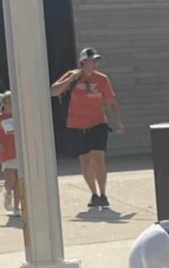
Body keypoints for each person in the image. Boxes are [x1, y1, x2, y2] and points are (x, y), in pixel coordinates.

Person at [51, 47, 125, 209]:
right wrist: (71, 79)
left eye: (96, 61)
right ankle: (94, 194)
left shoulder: (102, 79)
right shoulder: (72, 76)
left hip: (98, 123)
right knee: (85, 162)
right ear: (83, 62)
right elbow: (54, 92)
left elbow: (111, 102)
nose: (94, 64)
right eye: (91, 60)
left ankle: (103, 193)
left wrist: (118, 122)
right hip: (76, 125)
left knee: (99, 157)